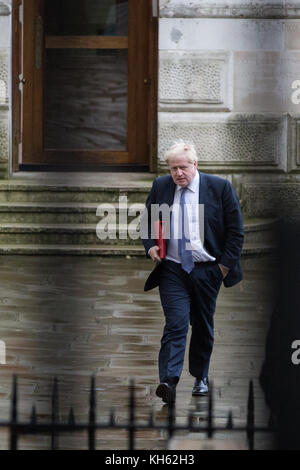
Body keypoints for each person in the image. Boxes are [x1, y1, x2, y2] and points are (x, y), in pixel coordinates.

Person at [141, 141, 244, 405]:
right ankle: (168, 381)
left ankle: (200, 376)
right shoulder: (161, 186)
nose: (178, 173)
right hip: (173, 269)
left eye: (183, 168)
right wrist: (151, 246)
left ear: (195, 165)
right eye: (173, 168)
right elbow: (147, 221)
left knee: (201, 325)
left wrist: (221, 269)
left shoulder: (220, 188)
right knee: (175, 324)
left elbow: (235, 233)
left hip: (208, 269)